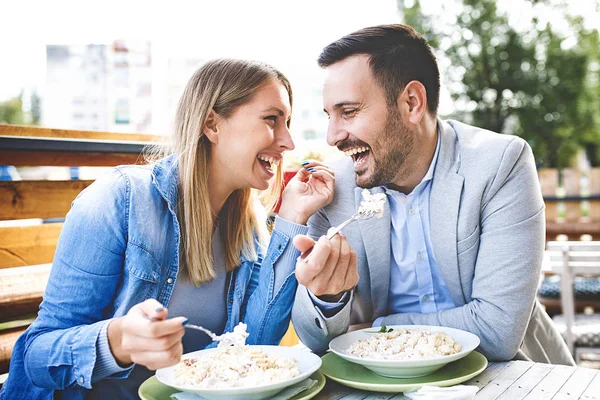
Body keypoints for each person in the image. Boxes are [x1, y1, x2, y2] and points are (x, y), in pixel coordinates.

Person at [0, 58, 337, 399]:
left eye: (288, 123)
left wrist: (292, 217)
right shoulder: (122, 200)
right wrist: (115, 342)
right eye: (271, 120)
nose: (289, 142)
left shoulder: (248, 231)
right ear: (212, 124)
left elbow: (257, 347)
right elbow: (36, 356)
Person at [291, 24, 574, 365]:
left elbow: (498, 332)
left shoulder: (501, 164)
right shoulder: (334, 184)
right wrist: (329, 297)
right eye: (329, 115)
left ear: (412, 102)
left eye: (348, 112)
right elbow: (315, 338)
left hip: (509, 378)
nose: (333, 136)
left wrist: (374, 331)